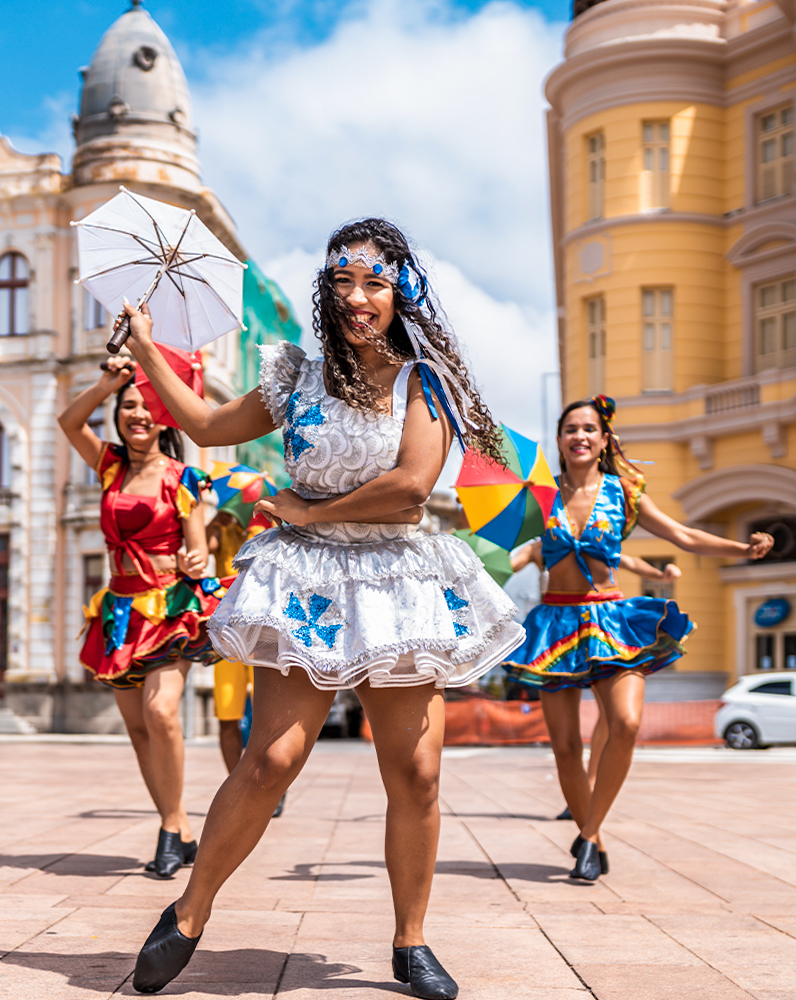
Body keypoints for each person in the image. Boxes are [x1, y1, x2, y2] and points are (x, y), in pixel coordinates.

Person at [122, 219, 525, 999]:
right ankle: (189, 912)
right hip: (308, 581)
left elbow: (412, 485)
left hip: (395, 578)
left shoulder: (424, 381)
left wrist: (305, 509)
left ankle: (411, 943)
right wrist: (144, 349)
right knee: (271, 759)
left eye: (372, 281)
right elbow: (205, 427)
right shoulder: (295, 375)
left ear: (399, 291)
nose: (355, 297)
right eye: (341, 282)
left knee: (415, 772)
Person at [501, 396, 771, 881]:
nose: (579, 436)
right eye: (570, 429)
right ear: (559, 440)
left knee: (624, 723)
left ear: (604, 440)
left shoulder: (623, 492)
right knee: (565, 747)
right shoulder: (540, 496)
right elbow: (506, 552)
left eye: (588, 429)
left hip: (612, 622)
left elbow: (682, 535)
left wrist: (741, 549)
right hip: (556, 625)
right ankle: (593, 838)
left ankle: (587, 834)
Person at [58, 358, 218, 880]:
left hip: (170, 607)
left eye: (148, 407)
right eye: (129, 406)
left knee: (162, 712)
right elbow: (67, 422)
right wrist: (107, 383)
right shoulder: (109, 466)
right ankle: (179, 828)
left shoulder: (181, 478)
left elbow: (199, 552)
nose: (138, 414)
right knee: (138, 730)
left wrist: (198, 562)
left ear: (166, 419)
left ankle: (171, 827)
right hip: (120, 611)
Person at [510, 549, 680, 821]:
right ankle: (582, 792)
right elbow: (505, 566)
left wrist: (659, 573)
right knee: (568, 740)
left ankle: (590, 783)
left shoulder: (598, 529)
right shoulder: (541, 543)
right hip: (559, 634)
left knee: (613, 714)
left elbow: (629, 559)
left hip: (602, 627)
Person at [205, 509, 285, 818]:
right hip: (227, 628)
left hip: (261, 626)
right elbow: (205, 547)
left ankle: (273, 783)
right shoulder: (223, 525)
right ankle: (237, 785)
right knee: (227, 714)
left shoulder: (270, 519)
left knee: (266, 717)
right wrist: (214, 523)